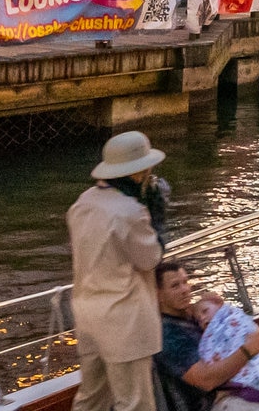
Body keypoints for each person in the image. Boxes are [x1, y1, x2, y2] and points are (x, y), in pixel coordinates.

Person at [69, 132, 169, 411]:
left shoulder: (83, 203)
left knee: (92, 397)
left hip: (88, 313)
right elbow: (151, 259)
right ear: (138, 173)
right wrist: (157, 218)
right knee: (134, 402)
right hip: (126, 320)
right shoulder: (130, 211)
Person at [156, 262, 259, 411]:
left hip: (235, 387)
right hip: (209, 404)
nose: (185, 289)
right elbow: (206, 380)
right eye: (175, 286)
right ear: (158, 294)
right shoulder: (167, 335)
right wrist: (248, 350)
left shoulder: (194, 315)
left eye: (185, 282)